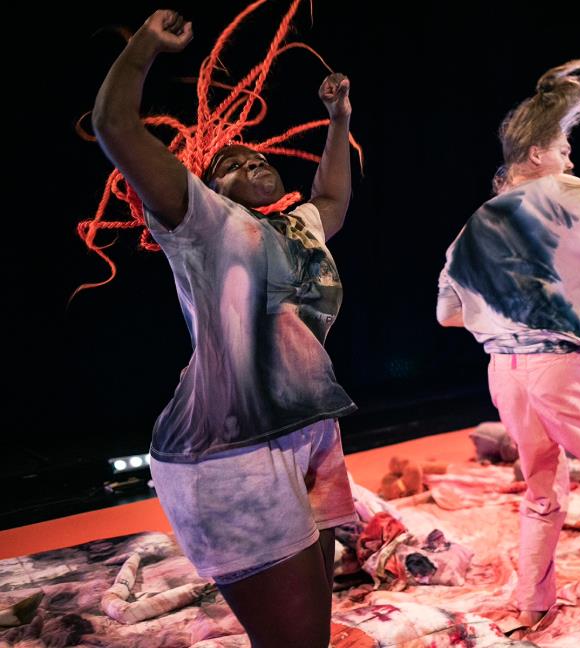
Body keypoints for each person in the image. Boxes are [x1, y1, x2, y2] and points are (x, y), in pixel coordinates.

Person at [91, 10, 357, 647]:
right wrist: (145, 46)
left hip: (309, 433)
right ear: (210, 186)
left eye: (259, 158)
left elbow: (332, 199)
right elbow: (114, 125)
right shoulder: (203, 223)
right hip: (229, 449)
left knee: (315, 623)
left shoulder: (296, 227)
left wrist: (339, 120)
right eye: (235, 164)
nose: (255, 163)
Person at [436, 60, 580, 632]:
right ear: (539, 153)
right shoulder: (574, 193)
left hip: (505, 369)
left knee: (541, 488)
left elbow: (448, 313)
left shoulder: (478, 222)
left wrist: (510, 309)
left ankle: (532, 602)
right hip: (560, 365)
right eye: (565, 149)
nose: (570, 160)